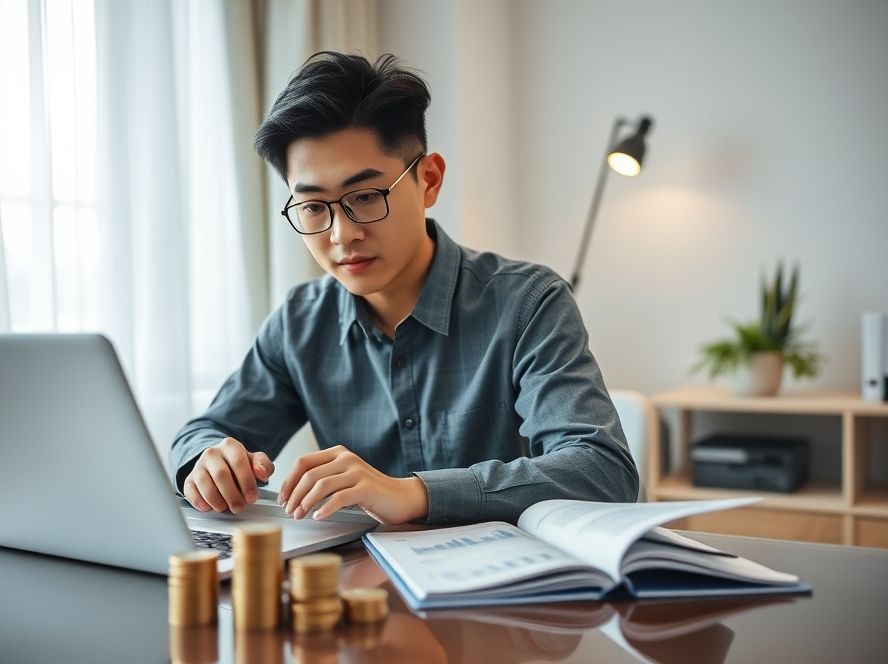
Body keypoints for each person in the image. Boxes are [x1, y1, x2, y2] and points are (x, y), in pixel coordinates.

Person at [169, 51, 638, 526]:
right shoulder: (299, 322)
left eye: (366, 197)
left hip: (505, 588)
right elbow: (205, 431)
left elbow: (601, 471)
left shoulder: (527, 303)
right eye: (313, 207)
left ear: (428, 180)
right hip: (362, 587)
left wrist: (414, 494)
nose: (341, 235)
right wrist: (209, 460)